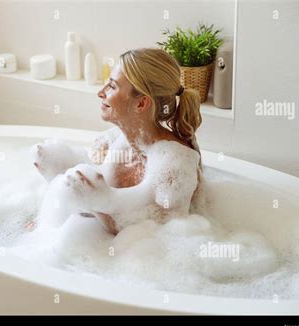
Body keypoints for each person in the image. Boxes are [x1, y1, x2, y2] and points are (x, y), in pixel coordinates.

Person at [32, 48, 203, 235]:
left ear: (141, 104)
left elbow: (160, 236)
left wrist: (96, 200)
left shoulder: (173, 167)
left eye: (112, 86)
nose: (101, 93)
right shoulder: (113, 140)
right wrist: (56, 177)